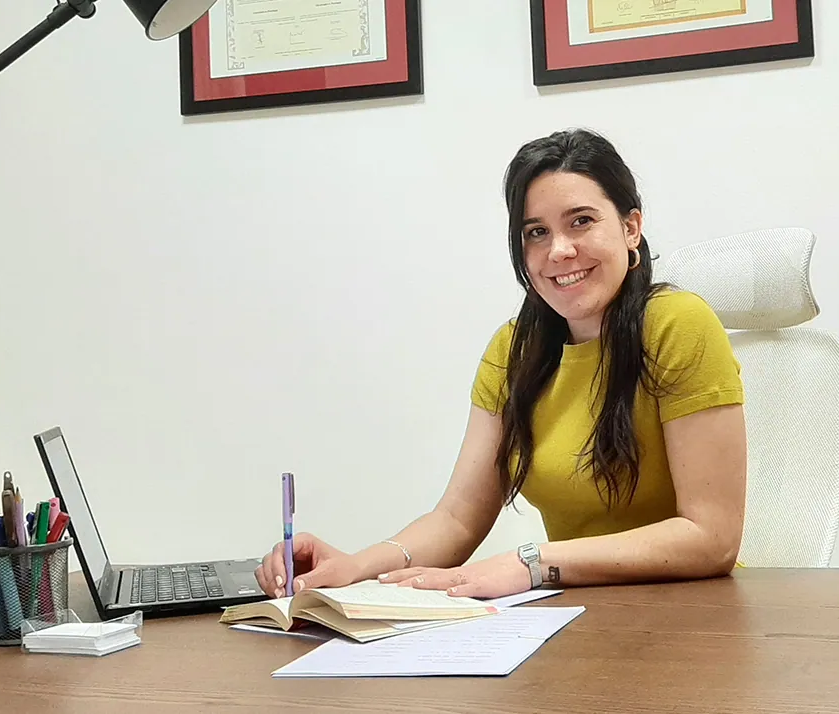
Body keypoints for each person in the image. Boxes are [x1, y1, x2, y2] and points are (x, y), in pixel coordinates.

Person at [255, 128, 747, 600]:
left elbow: (711, 537)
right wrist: (353, 569)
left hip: (691, 617)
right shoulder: (514, 349)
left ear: (630, 227)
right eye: (536, 232)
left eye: (581, 221)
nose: (559, 250)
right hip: (577, 617)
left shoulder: (677, 323)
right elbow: (457, 519)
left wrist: (530, 563)